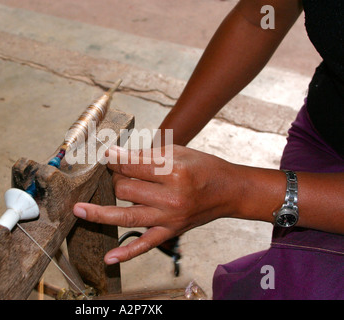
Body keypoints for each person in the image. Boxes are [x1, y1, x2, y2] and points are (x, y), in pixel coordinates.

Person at [73, 0, 344, 299]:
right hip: (326, 131)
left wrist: (237, 191)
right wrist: (163, 150)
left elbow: (242, 192)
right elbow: (259, 19)